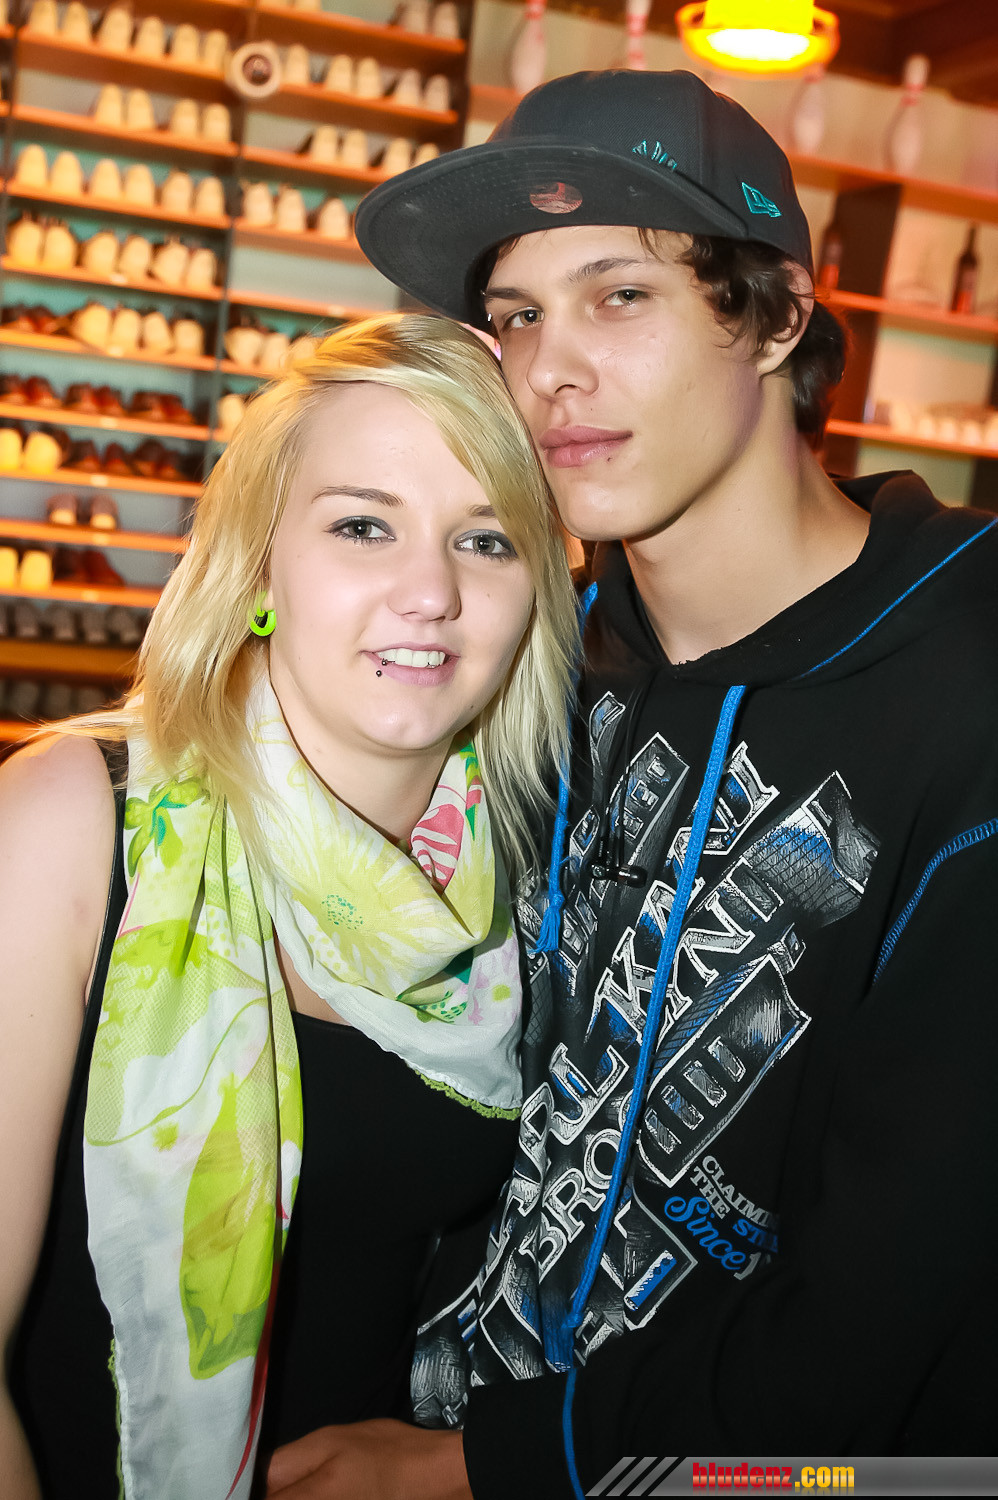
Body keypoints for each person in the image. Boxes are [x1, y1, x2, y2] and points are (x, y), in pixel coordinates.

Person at [283, 67, 997, 1498]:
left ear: (777, 317)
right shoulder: (535, 657)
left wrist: (470, 1470)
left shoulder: (964, 682)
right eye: (514, 315)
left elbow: (893, 1296)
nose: (548, 372)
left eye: (619, 296)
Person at [0, 314, 580, 1500]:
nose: (429, 593)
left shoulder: (527, 880)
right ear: (262, 564)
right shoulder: (75, 819)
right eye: (363, 525)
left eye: (484, 540)